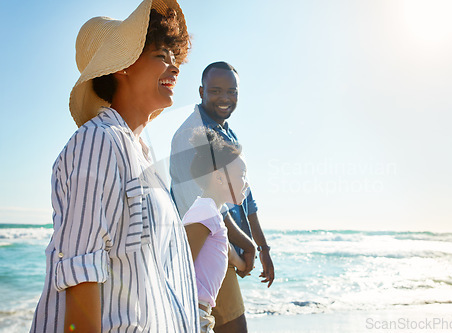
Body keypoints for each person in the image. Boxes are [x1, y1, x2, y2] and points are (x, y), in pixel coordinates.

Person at [30, 1, 199, 332]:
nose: (175, 67)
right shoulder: (98, 141)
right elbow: (82, 272)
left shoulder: (140, 154)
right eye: (161, 56)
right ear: (123, 66)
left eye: (174, 57)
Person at [170, 61, 275, 332]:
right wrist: (246, 246)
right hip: (207, 246)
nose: (225, 98)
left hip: (222, 247)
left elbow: (246, 197)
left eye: (232, 92)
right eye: (216, 91)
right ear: (201, 91)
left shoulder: (228, 133)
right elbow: (203, 204)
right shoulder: (190, 135)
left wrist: (261, 248)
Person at [182, 127, 247, 333]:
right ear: (219, 178)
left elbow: (223, 249)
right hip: (192, 317)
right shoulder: (204, 212)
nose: (246, 183)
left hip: (201, 316)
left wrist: (244, 262)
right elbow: (179, 267)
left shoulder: (211, 214)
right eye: (242, 175)